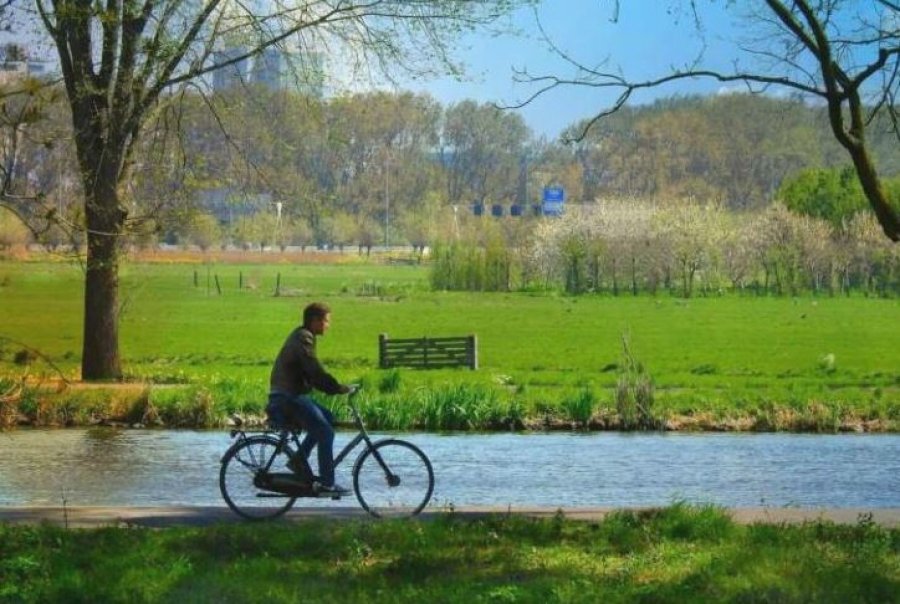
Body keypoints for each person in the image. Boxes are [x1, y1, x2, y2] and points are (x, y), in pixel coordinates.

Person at [267, 301, 351, 496]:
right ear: (315, 321)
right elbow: (314, 370)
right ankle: (327, 483)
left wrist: (333, 387)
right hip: (287, 397)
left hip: (289, 395)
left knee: (327, 418)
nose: (328, 325)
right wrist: (336, 387)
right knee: (326, 432)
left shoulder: (303, 336)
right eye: (326, 321)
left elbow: (312, 373)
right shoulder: (303, 338)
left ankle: (298, 459)